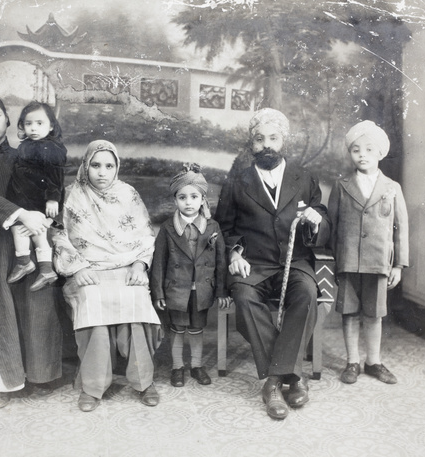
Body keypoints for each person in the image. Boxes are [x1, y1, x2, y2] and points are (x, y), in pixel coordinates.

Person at [215, 108, 330, 420]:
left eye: (273, 138)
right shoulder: (237, 182)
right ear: (251, 144)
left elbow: (322, 217)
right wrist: (234, 254)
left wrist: (316, 219)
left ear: (284, 141)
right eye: (259, 139)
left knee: (307, 293)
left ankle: (273, 381)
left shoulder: (304, 179)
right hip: (254, 264)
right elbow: (222, 228)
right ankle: (290, 376)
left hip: (295, 263)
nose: (266, 144)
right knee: (243, 294)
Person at [0, 93, 62, 409]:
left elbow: (49, 182)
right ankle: (8, 383)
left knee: (37, 302)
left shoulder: (26, 154)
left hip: (31, 239)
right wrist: (22, 215)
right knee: (0, 307)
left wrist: (48, 206)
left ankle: (41, 375)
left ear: (8, 119)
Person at [51, 139, 161, 412]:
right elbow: (58, 235)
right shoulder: (71, 195)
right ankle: (93, 385)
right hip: (87, 268)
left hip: (126, 266)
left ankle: (144, 381)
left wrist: (139, 265)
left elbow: (146, 234)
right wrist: (79, 267)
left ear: (116, 168)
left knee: (136, 300)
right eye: (96, 165)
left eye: (109, 166)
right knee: (92, 302)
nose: (102, 172)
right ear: (86, 166)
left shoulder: (129, 194)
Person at [328, 120, 409, 385]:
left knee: (374, 314)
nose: (363, 155)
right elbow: (332, 226)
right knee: (350, 313)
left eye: (369, 149)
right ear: (350, 153)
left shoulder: (391, 188)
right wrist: (332, 263)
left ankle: (373, 362)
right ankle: (352, 362)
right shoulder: (341, 186)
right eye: (356, 150)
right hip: (348, 260)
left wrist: (398, 265)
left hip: (378, 263)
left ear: (380, 153)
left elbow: (401, 229)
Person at [150, 164, 231, 388]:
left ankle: (196, 366)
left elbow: (221, 261)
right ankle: (177, 367)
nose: (188, 202)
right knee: (176, 329)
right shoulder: (167, 228)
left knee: (196, 329)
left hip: (202, 289)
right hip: (176, 290)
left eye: (194, 196)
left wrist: (222, 290)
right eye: (182, 197)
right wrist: (157, 292)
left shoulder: (213, 226)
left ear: (203, 199)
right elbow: (158, 262)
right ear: (175, 200)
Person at [6, 101, 68, 292]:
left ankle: (41, 267)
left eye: (39, 123)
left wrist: (52, 198)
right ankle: (31, 264)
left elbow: (56, 176)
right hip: (23, 196)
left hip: (40, 197)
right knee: (23, 229)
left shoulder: (51, 148)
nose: (33, 128)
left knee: (37, 231)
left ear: (51, 126)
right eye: (28, 124)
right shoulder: (27, 145)